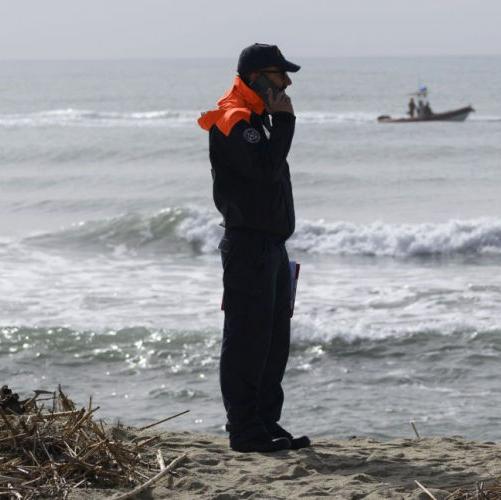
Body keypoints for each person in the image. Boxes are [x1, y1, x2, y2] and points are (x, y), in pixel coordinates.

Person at [197, 43, 310, 454]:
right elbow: (264, 170)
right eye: (281, 76)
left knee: (273, 341)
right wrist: (286, 122)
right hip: (248, 247)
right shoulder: (233, 118)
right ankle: (244, 431)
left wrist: (277, 121)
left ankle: (265, 422)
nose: (287, 83)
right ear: (258, 78)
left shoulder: (258, 119)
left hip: (273, 247)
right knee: (247, 338)